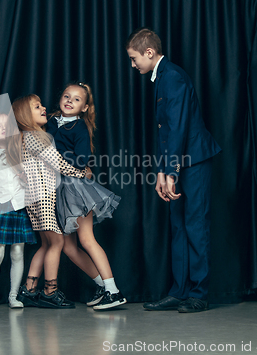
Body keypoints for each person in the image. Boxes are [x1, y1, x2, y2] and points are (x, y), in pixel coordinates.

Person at [126, 28, 221, 313]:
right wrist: (160, 172)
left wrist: (172, 172)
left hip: (194, 161)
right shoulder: (161, 77)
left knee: (195, 226)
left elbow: (179, 129)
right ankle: (179, 291)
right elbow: (166, 132)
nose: (133, 65)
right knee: (178, 227)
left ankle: (198, 294)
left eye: (134, 59)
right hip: (178, 162)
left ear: (149, 53)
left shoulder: (173, 77)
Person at [46, 82, 126, 310]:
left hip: (75, 188)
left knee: (87, 240)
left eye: (76, 99)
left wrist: (57, 159)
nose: (69, 101)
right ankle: (103, 285)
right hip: (56, 190)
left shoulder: (79, 127)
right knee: (68, 248)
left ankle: (114, 291)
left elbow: (82, 159)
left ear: (84, 108)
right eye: (66, 96)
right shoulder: (51, 122)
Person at [6, 95, 87, 309]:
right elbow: (58, 162)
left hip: (33, 198)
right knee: (57, 243)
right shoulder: (36, 136)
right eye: (36, 107)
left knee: (46, 243)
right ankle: (50, 292)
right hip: (43, 197)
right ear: (25, 115)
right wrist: (80, 173)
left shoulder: (23, 137)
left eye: (41, 104)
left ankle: (29, 290)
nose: (43, 108)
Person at [0, 113, 37, 309]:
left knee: (18, 252)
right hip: (0, 207)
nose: (3, 128)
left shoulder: (21, 153)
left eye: (6, 125)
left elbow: (30, 182)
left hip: (19, 206)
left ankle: (13, 295)